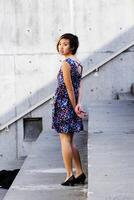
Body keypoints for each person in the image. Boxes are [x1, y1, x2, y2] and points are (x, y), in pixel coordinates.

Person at [52, 33, 86, 186]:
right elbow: (80, 86)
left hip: (65, 104)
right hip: (72, 104)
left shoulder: (66, 63)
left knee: (65, 140)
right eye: (60, 44)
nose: (61, 46)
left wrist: (74, 107)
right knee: (70, 141)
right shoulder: (78, 63)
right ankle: (79, 172)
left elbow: (70, 88)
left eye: (65, 44)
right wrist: (78, 105)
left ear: (72, 46)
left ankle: (69, 175)